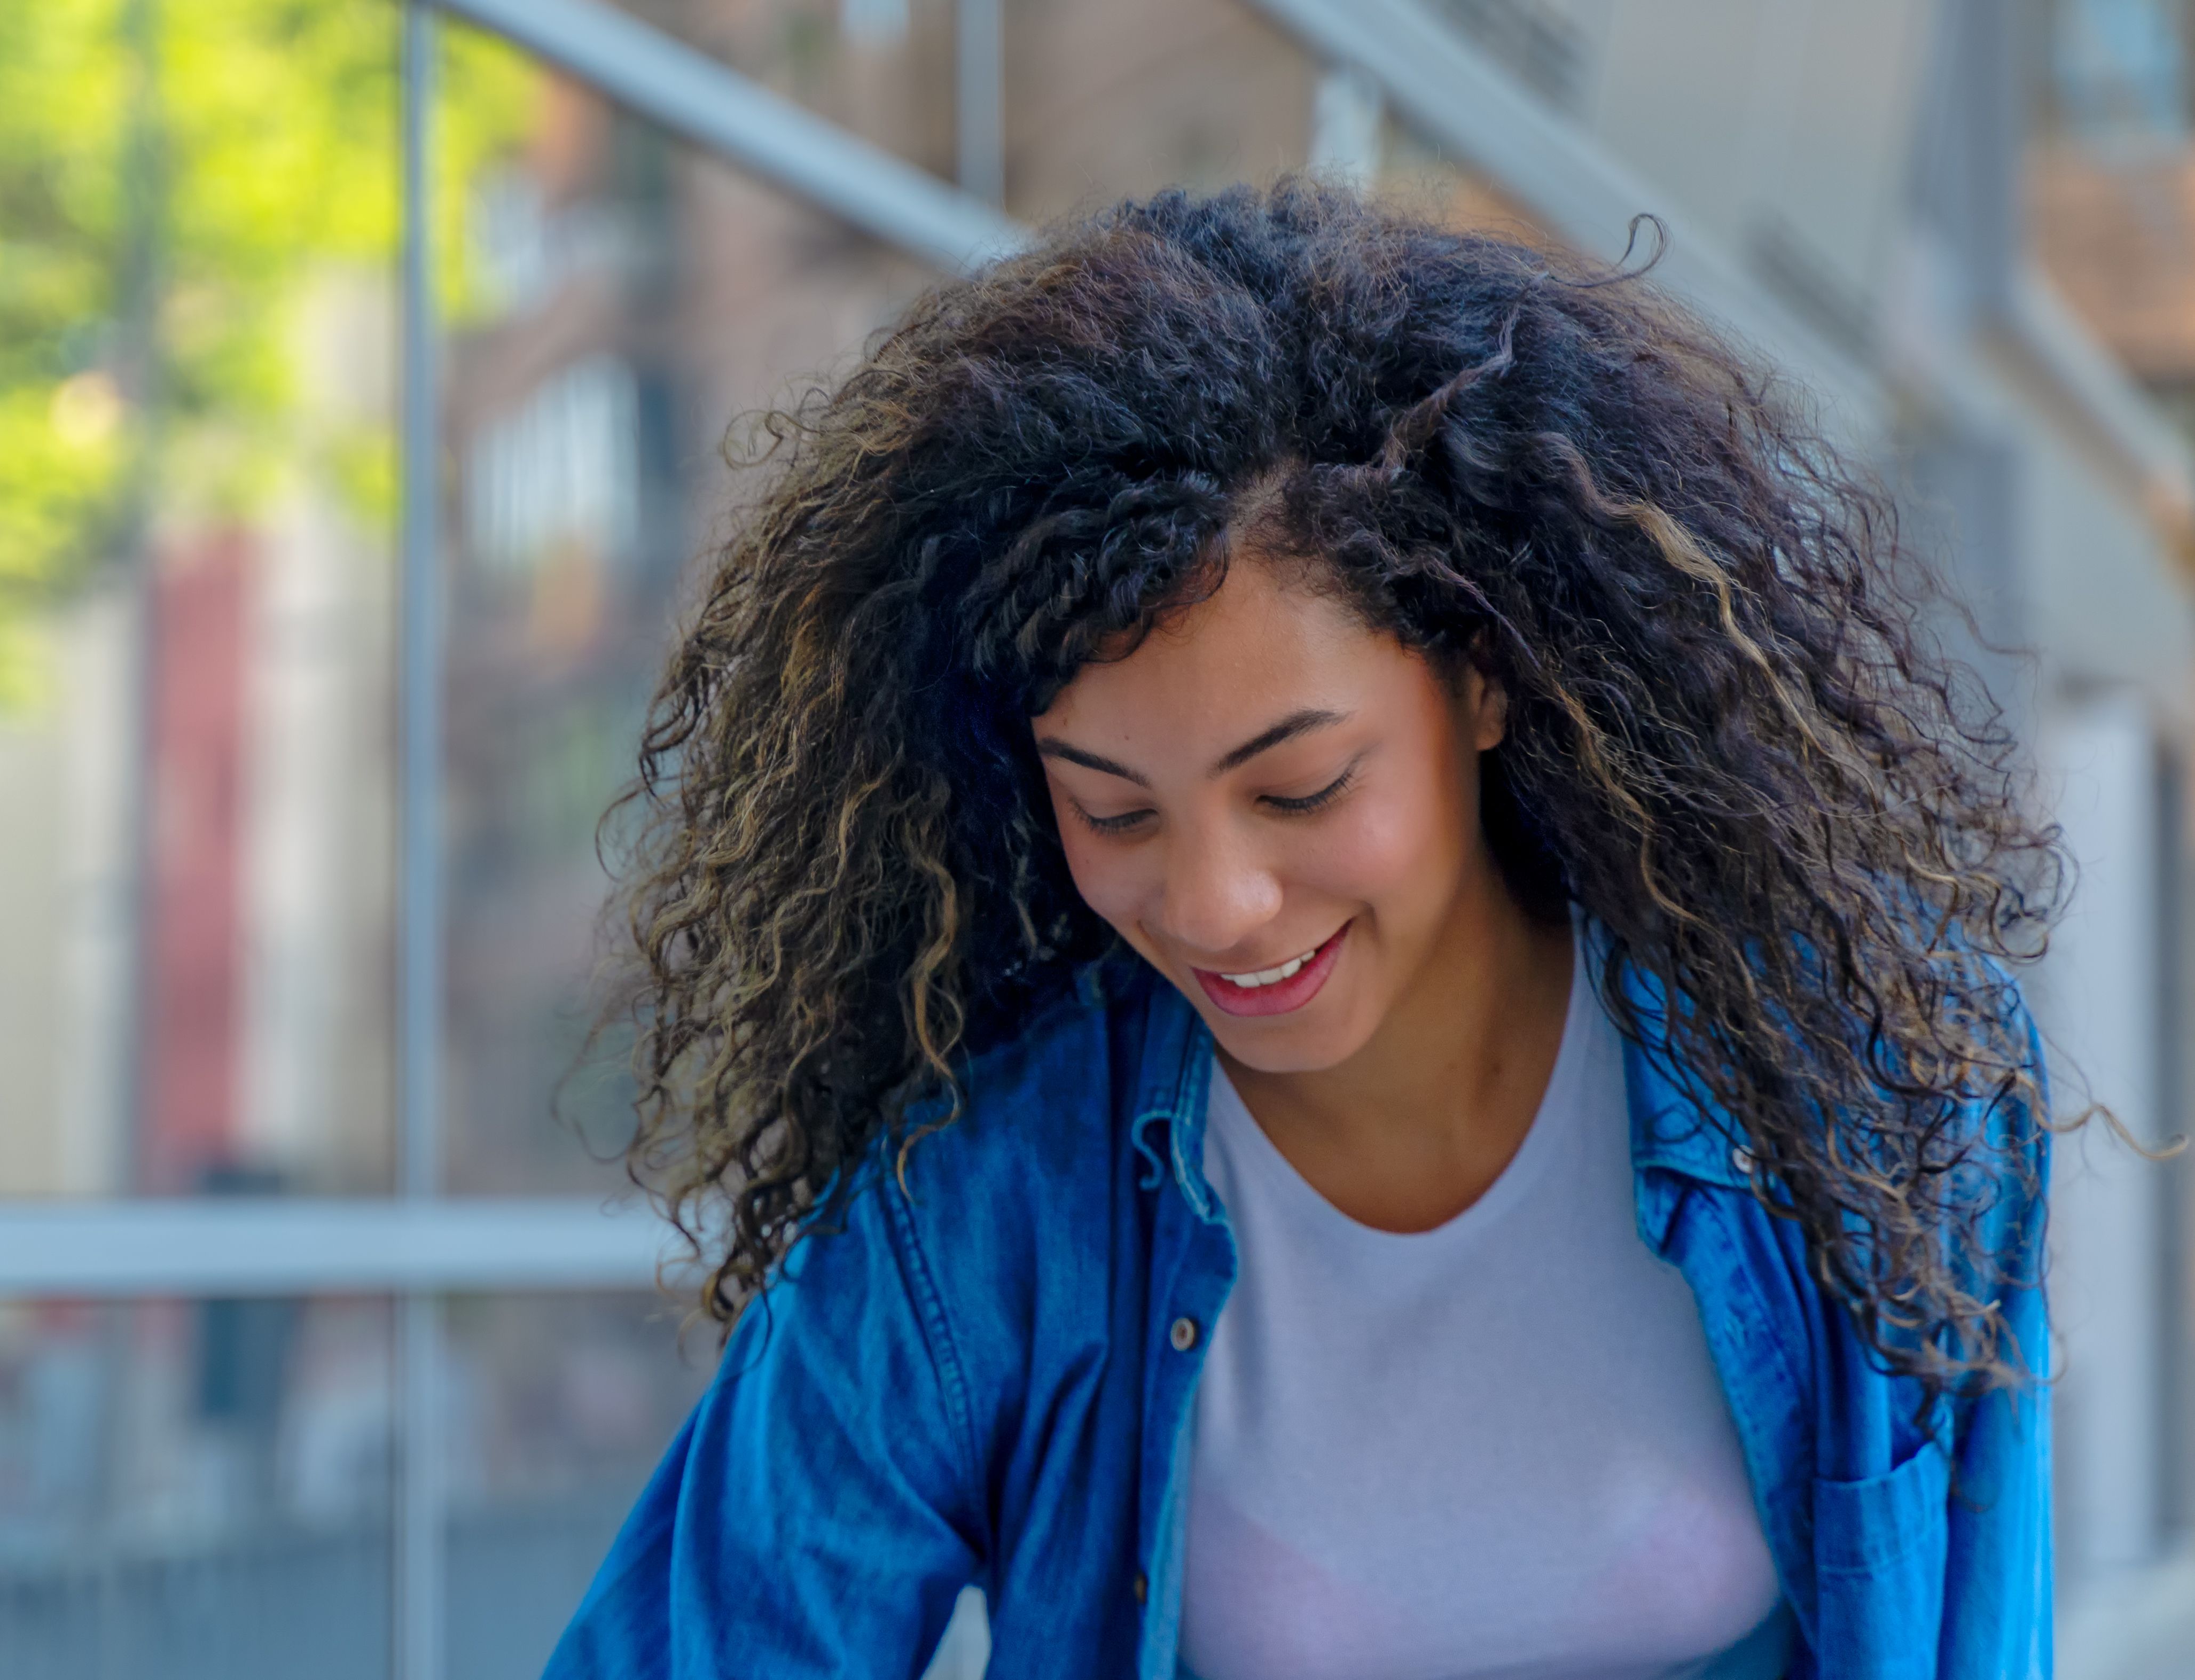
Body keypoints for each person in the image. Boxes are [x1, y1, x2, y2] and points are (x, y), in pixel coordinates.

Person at [548, 181, 2058, 1679]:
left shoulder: (1880, 1094)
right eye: (1115, 810)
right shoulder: (986, 1204)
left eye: (1299, 785)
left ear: (1483, 676)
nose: (1211, 904)